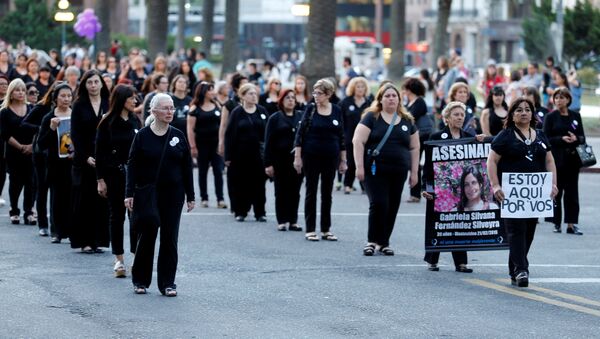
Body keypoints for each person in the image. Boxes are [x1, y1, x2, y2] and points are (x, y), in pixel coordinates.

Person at [125, 93, 195, 296]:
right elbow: (132, 165)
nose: (170, 112)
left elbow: (187, 167)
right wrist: (129, 193)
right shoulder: (142, 136)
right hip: (149, 194)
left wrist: (190, 196)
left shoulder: (178, 135)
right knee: (147, 236)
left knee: (169, 238)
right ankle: (140, 280)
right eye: (165, 108)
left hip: (173, 195)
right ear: (153, 111)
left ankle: (168, 283)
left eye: (172, 108)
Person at [487, 97, 558, 287]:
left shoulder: (541, 136)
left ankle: (514, 269)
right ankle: (522, 269)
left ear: (533, 114)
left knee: (529, 232)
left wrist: (552, 184)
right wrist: (495, 185)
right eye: (519, 110)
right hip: (511, 194)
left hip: (535, 196)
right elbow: (491, 161)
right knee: (516, 230)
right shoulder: (505, 136)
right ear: (512, 115)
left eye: (527, 109)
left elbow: (550, 161)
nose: (524, 113)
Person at [353, 83, 419, 255]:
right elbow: (357, 141)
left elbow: (414, 147)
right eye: (387, 96)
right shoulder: (371, 117)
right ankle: (371, 241)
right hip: (375, 170)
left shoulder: (407, 120)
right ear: (380, 99)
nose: (391, 98)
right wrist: (359, 167)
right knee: (379, 203)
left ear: (399, 99)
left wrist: (414, 172)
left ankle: (384, 242)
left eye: (394, 96)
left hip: (399, 172)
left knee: (392, 206)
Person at [421, 102, 484, 272]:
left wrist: (481, 141)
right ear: (447, 118)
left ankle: (461, 262)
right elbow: (428, 165)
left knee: (461, 222)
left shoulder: (469, 137)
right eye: (456, 114)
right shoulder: (436, 137)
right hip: (440, 189)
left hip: (461, 190)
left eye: (462, 114)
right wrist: (425, 186)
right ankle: (432, 259)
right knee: (437, 223)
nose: (460, 117)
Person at [96, 84, 141, 277]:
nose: (135, 101)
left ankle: (136, 256)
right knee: (116, 216)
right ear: (122, 99)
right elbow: (99, 152)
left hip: (134, 176)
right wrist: (100, 179)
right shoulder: (107, 123)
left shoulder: (135, 121)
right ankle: (119, 260)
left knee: (135, 218)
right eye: (132, 98)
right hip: (114, 175)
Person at [294, 79, 347, 241]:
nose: (316, 96)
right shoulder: (310, 109)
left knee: (327, 193)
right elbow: (300, 134)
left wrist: (343, 160)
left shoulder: (337, 110)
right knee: (311, 191)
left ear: (329, 94)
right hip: (311, 155)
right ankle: (310, 229)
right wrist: (297, 157)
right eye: (315, 92)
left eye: (320, 93)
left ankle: (326, 229)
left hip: (331, 156)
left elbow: (341, 136)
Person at [70, 70, 110, 253]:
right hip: (85, 158)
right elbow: (76, 135)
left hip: (105, 158)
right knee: (85, 200)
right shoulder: (79, 105)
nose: (93, 85)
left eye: (96, 82)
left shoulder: (109, 104)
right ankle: (84, 241)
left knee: (101, 201)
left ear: (102, 84)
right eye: (89, 82)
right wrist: (85, 156)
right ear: (84, 85)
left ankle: (98, 240)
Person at [543, 87, 585, 235]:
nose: (558, 100)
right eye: (556, 98)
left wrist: (576, 139)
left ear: (568, 99)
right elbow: (545, 138)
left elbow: (582, 137)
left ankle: (571, 224)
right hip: (556, 160)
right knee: (556, 191)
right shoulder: (550, 117)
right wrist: (561, 139)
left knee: (572, 193)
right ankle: (556, 222)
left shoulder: (575, 116)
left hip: (573, 160)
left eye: (561, 97)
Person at [36, 83, 74, 244]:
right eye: (63, 96)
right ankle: (56, 232)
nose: (66, 99)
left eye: (69, 96)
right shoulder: (49, 117)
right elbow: (41, 144)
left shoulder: (75, 115)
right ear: (56, 98)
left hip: (73, 163)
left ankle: (72, 231)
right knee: (57, 199)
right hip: (55, 164)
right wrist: (52, 128)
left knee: (72, 199)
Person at [224, 83, 268, 222]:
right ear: (242, 96)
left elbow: (268, 132)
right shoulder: (237, 112)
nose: (254, 96)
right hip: (240, 154)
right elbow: (229, 134)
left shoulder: (261, 111)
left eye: (255, 93)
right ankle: (241, 211)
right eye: (251, 94)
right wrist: (228, 156)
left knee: (259, 184)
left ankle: (260, 212)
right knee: (241, 183)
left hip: (258, 154)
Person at [264, 89, 303, 232]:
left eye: (293, 98)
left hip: (297, 161)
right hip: (279, 160)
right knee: (281, 191)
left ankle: (293, 221)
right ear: (281, 100)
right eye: (287, 98)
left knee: (295, 191)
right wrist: (268, 163)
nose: (291, 100)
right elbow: (268, 142)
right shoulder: (275, 118)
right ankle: (282, 220)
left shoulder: (301, 116)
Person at [0, 78, 36, 225]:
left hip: (31, 150)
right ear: (11, 92)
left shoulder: (32, 108)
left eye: (22, 90)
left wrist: (31, 146)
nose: (21, 93)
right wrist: (20, 146)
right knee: (15, 182)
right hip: (14, 151)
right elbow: (4, 134)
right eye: (17, 90)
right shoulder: (4, 111)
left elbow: (38, 129)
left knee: (31, 182)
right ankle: (14, 210)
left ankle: (29, 211)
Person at [187, 82, 227, 209]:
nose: (213, 93)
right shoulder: (195, 108)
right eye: (210, 90)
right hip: (201, 145)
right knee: (202, 172)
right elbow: (190, 129)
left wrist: (222, 143)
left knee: (218, 171)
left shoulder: (217, 105)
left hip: (215, 145)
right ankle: (204, 198)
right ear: (203, 92)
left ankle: (220, 199)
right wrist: (193, 146)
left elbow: (223, 124)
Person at [340, 76, 371, 195]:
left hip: (366, 138)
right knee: (351, 162)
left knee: (365, 161)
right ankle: (348, 184)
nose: (360, 89)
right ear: (353, 88)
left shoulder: (369, 103)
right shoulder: (346, 102)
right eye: (358, 86)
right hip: (349, 137)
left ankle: (364, 186)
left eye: (362, 86)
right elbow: (341, 120)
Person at [403, 77, 432, 203]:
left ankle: (416, 193)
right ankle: (415, 192)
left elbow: (411, 118)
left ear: (409, 90)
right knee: (414, 164)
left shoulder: (419, 102)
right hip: (414, 135)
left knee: (416, 163)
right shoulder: (408, 102)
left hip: (421, 135)